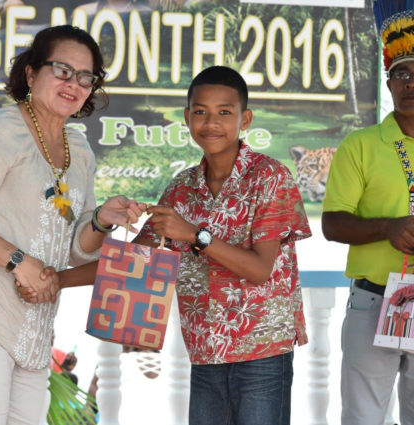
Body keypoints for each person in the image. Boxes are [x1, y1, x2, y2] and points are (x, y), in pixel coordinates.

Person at [24, 65, 311, 425]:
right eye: (201, 112)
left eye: (225, 112)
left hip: (262, 353)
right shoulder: (181, 188)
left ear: (245, 118)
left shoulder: (270, 176)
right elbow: (134, 263)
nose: (211, 122)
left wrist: (194, 235)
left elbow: (260, 268)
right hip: (205, 352)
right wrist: (55, 279)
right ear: (187, 118)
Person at [0, 24, 145, 425]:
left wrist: (101, 219)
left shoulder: (78, 149)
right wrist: (22, 263)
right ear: (31, 73)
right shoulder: (1, 131)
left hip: (35, 321)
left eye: (86, 76)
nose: (74, 83)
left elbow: (76, 246)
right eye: (62, 70)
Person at [321, 2, 414, 424]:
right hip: (375, 300)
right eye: (402, 73)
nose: (411, 83)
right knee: (362, 418)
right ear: (389, 82)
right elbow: (332, 223)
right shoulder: (360, 145)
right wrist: (388, 228)